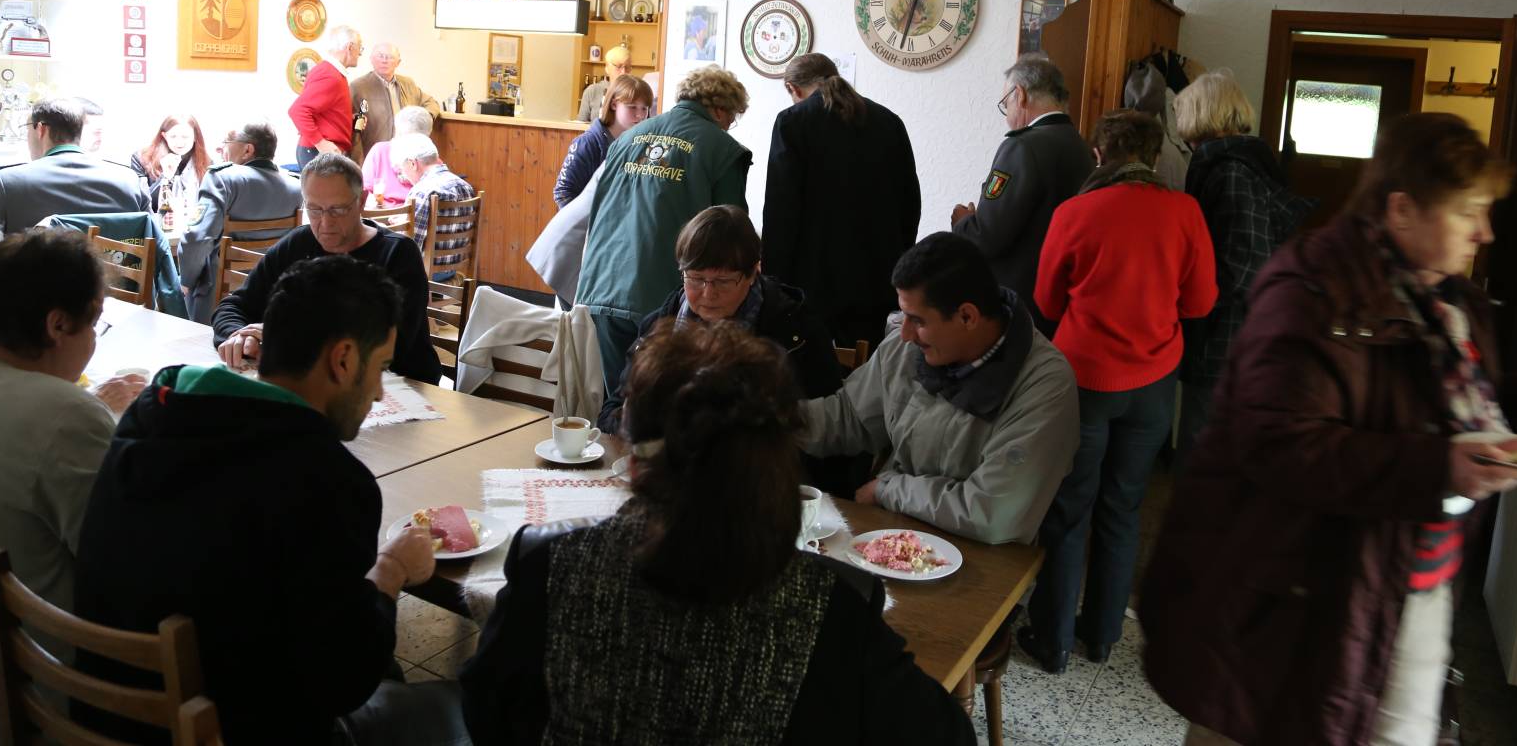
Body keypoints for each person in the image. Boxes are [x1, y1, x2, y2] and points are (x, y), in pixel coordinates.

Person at [1140, 113, 1517, 746]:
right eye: (1467, 212)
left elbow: (1448, 403)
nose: (1484, 231)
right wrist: (1442, 467)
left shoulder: (1447, 300)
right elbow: (1281, 444)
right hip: (1289, 600)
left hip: (1403, 585)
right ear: (1401, 211)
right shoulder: (1310, 293)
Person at [459, 321, 974, 746]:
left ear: (635, 468)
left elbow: (487, 715)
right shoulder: (836, 610)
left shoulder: (548, 566)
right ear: (779, 468)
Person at [74, 257, 468, 745]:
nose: (378, 391)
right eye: (380, 368)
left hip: (103, 717)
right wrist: (390, 570)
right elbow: (341, 684)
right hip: (233, 731)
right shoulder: (330, 482)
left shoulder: (152, 414)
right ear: (343, 360)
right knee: (470, 700)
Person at [1018, 110, 1217, 674]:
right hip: (1155, 385)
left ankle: (1052, 640)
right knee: (1124, 508)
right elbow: (1201, 303)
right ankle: (1102, 635)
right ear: (1154, 158)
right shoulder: (1185, 212)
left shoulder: (1076, 211)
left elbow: (1048, 303)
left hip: (1084, 380)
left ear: (1099, 156)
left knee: (1068, 509)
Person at [799, 232, 1079, 546]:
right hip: (893, 536)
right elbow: (849, 417)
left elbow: (994, 513)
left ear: (967, 316)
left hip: (984, 561)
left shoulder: (1044, 386)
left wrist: (889, 489)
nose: (904, 335)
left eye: (916, 320)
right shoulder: (910, 347)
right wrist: (769, 417)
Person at [0, 232, 146, 739]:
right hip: (41, 696)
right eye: (95, 323)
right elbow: (129, 573)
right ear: (57, 325)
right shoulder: (65, 417)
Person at [575, 66, 751, 399]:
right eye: (732, 117)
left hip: (601, 288)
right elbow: (730, 235)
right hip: (663, 297)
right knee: (664, 405)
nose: (730, 124)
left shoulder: (627, 138)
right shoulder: (721, 148)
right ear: (720, 108)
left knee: (618, 402)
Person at [1173, 69, 1314, 466]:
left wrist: (1191, 300)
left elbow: (1244, 264)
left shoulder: (1230, 171)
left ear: (1203, 115)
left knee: (1202, 450)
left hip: (1227, 336)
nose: (1181, 132)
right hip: (1236, 331)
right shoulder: (1238, 162)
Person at [599, 205, 841, 434]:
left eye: (723, 281)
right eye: (695, 278)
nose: (708, 293)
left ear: (753, 273)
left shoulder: (795, 331)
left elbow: (828, 430)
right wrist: (639, 421)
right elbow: (611, 411)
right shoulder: (661, 324)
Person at [211, 152, 440, 383]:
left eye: (337, 210)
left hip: (404, 385)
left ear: (361, 201)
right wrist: (237, 335)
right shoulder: (298, 243)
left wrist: (284, 341)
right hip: (317, 383)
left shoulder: (398, 254)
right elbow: (235, 305)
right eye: (314, 209)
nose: (325, 223)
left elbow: (389, 346)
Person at [762, 53, 921, 349]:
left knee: (812, 370)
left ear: (792, 88)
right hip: (876, 277)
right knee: (866, 373)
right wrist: (898, 262)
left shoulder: (792, 122)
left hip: (811, 281)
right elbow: (910, 203)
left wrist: (773, 282)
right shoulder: (888, 121)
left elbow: (781, 211)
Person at [951, 55, 1093, 339]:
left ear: (1020, 95)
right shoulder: (1081, 147)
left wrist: (963, 222)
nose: (1006, 116)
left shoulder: (1023, 147)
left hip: (1018, 305)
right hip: (1061, 301)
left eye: (1006, 103)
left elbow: (988, 236)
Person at [175, 120, 302, 321]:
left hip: (218, 300)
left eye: (227, 142)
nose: (221, 148)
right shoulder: (296, 187)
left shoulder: (222, 179)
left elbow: (197, 238)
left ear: (248, 150)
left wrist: (186, 280)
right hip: (268, 296)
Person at [0, 98, 150, 234]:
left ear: (41, 130)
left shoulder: (6, 183)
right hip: (113, 275)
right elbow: (153, 238)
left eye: (27, 129)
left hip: (34, 275)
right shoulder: (130, 180)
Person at [553, 74, 652, 208]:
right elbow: (563, 192)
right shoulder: (588, 143)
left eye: (644, 108)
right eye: (632, 107)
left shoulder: (644, 145)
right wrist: (589, 226)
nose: (640, 115)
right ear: (613, 104)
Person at [391, 131, 476, 280]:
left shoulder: (422, 192)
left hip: (425, 273)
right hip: (454, 270)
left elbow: (410, 247)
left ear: (412, 163)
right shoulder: (466, 186)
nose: (404, 176)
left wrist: (398, 229)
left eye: (402, 170)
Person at [349, 41, 442, 163]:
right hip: (373, 156)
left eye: (390, 57)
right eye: (380, 56)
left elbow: (431, 103)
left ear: (398, 62)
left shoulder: (408, 84)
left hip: (405, 154)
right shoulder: (358, 87)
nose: (384, 60)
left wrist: (424, 118)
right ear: (371, 59)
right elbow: (351, 123)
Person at [289, 25, 362, 168]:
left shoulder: (330, 71)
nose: (360, 53)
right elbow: (297, 111)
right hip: (319, 153)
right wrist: (320, 143)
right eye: (360, 48)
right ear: (350, 47)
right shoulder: (330, 75)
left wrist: (346, 119)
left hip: (318, 151)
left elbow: (322, 111)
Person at [363, 104, 433, 208]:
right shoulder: (380, 151)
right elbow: (362, 190)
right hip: (379, 217)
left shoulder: (430, 158)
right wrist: (371, 201)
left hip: (414, 218)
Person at [128, 113, 208, 202]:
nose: (179, 142)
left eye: (185, 137)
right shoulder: (141, 159)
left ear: (195, 137)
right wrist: (165, 177)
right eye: (173, 136)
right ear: (165, 136)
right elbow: (141, 204)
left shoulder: (207, 164)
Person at [575, 45, 631, 123]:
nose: (624, 72)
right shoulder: (592, 91)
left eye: (627, 67)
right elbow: (581, 124)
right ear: (607, 68)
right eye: (619, 66)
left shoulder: (634, 93)